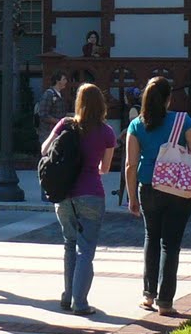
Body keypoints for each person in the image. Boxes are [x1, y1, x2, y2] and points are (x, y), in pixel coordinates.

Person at [125, 75, 191, 316]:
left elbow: (131, 165)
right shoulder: (183, 121)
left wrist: (131, 196)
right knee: (171, 245)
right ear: (168, 99)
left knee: (151, 238)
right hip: (179, 189)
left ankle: (148, 295)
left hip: (149, 187)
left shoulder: (136, 125)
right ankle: (166, 302)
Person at [42, 82, 117, 316]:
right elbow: (105, 168)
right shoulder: (107, 132)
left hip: (64, 195)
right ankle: (80, 303)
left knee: (69, 245)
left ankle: (67, 295)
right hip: (92, 194)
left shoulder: (66, 124)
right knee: (86, 250)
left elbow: (45, 149)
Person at [35, 71, 73, 145]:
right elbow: (43, 115)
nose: (66, 81)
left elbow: (61, 113)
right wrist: (59, 122)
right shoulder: (49, 95)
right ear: (57, 81)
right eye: (64, 79)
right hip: (48, 133)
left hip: (56, 132)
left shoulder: (59, 95)